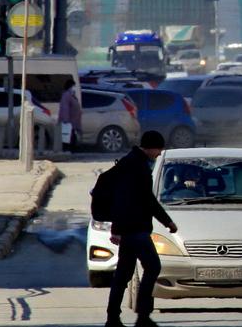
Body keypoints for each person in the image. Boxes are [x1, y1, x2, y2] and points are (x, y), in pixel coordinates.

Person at [99, 131, 178, 327]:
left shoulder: (132, 162)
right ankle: (142, 316)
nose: (159, 154)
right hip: (135, 229)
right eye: (158, 149)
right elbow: (141, 200)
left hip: (130, 228)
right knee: (152, 266)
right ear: (151, 147)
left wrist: (117, 228)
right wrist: (167, 222)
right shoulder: (137, 166)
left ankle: (113, 317)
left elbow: (136, 199)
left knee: (123, 274)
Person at [59, 80, 82, 151]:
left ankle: (71, 150)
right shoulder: (67, 95)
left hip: (73, 122)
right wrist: (66, 120)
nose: (74, 88)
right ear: (70, 86)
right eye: (73, 86)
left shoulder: (72, 95)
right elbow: (65, 108)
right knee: (68, 137)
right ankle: (68, 150)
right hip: (69, 122)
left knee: (71, 137)